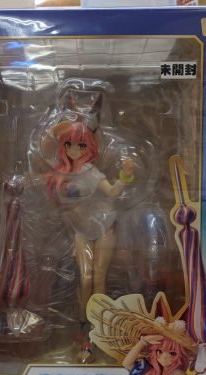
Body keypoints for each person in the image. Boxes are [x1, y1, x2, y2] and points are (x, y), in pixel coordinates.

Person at [46, 119, 134, 361]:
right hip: (81, 229)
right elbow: (61, 206)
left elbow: (113, 192)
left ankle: (97, 331)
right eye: (70, 145)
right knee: (84, 279)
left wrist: (125, 176)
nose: (75, 150)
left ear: (90, 148)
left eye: (81, 145)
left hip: (104, 225)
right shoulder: (61, 174)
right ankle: (84, 329)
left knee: (98, 278)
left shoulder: (91, 172)